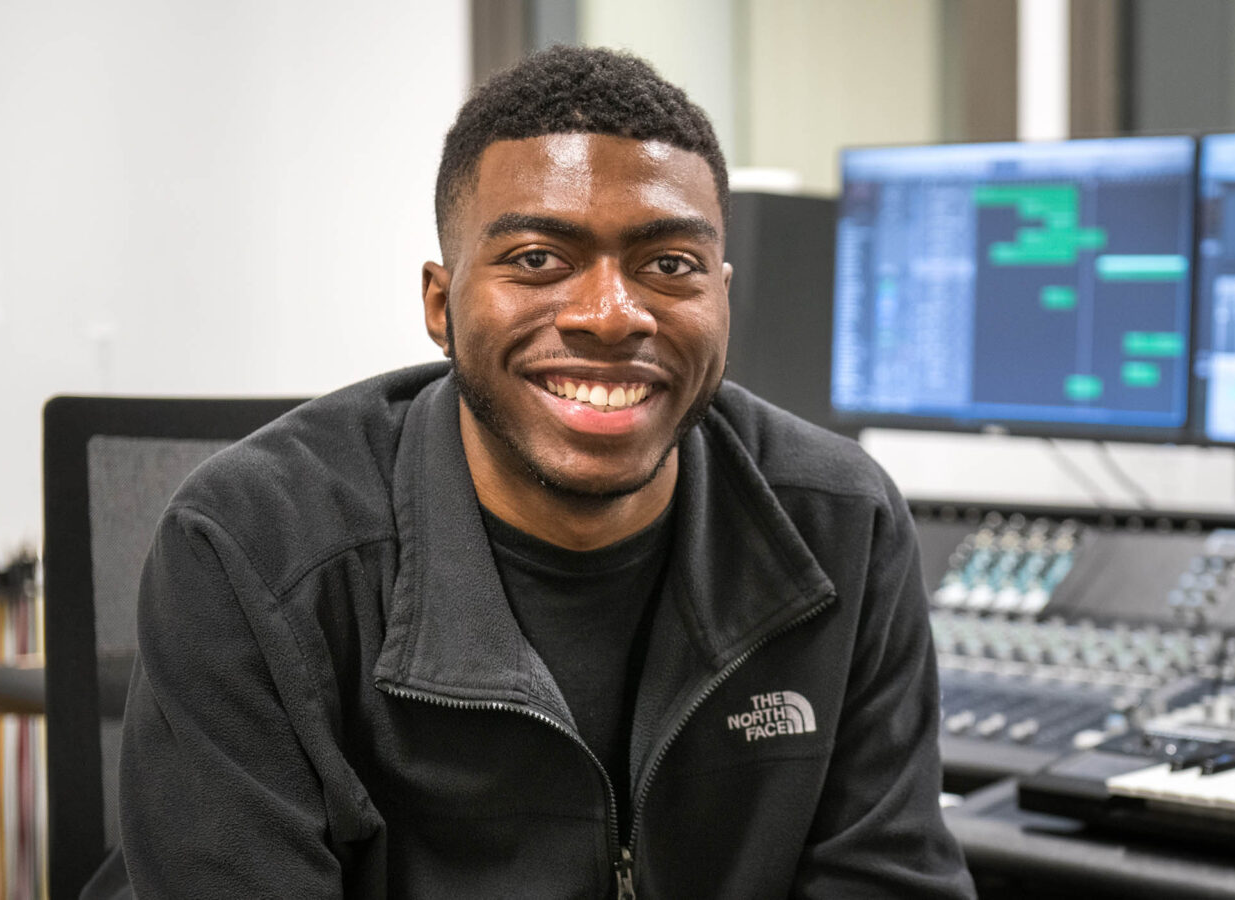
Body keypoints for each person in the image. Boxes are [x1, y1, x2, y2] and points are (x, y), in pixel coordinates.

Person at [109, 45, 973, 898]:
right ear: (441, 306)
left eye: (670, 265)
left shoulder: (842, 527)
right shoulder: (249, 549)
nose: (610, 315)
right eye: (537, 260)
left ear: (723, 295)